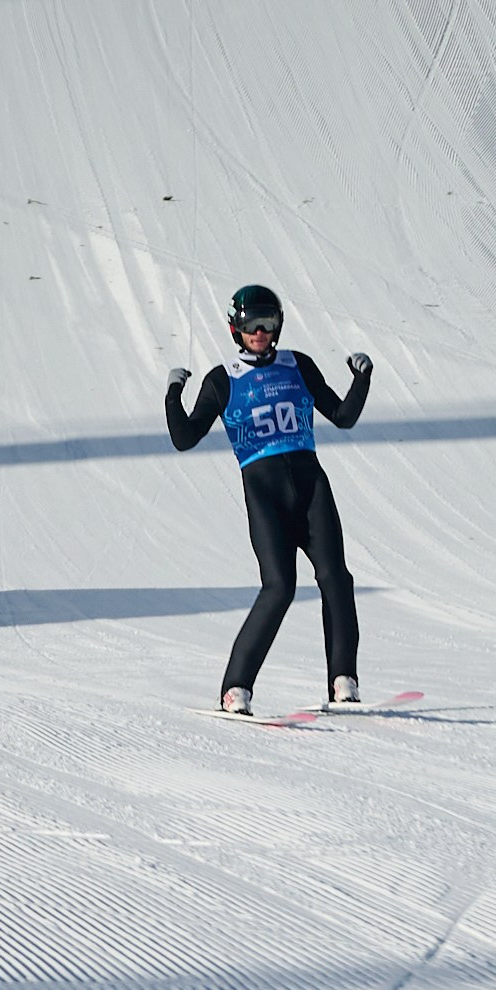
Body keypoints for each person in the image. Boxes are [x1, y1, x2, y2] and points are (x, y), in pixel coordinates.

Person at [165, 284, 373, 715]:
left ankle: (344, 681)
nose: (260, 332)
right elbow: (185, 438)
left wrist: (362, 379)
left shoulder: (298, 364)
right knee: (279, 587)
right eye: (251, 325)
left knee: (337, 578)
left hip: (312, 484)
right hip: (264, 492)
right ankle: (235, 688)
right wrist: (172, 394)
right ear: (235, 329)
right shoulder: (223, 379)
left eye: (268, 323)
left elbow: (343, 416)